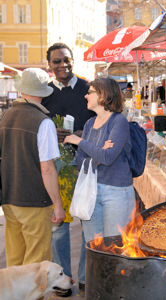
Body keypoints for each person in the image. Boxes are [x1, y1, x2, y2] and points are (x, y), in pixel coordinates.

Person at [42, 42, 94, 295]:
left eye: (66, 59)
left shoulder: (88, 88)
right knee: (58, 229)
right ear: (49, 66)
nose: (63, 65)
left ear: (73, 60)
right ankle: (64, 280)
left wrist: (83, 133)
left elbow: (100, 120)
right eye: (57, 61)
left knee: (87, 224)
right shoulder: (45, 92)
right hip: (56, 168)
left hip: (85, 166)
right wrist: (53, 132)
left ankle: (85, 277)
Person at [0, 68, 66, 267]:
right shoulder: (43, 122)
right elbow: (47, 168)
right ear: (42, 93)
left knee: (15, 259)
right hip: (34, 200)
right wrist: (58, 204)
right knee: (37, 264)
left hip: (9, 198)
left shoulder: (6, 117)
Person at [64, 77, 135, 244]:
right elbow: (80, 160)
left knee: (115, 247)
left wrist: (79, 141)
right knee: (93, 246)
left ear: (103, 95)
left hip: (117, 192)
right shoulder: (89, 123)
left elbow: (107, 157)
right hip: (91, 191)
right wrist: (98, 153)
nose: (85, 96)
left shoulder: (119, 122)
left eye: (90, 92)